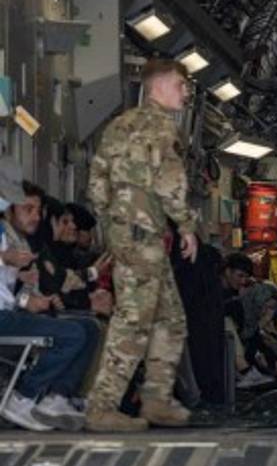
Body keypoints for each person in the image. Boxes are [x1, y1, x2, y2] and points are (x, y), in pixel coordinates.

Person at [86, 58, 200, 433]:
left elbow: (97, 184)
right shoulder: (163, 128)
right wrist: (185, 224)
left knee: (170, 319)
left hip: (126, 235)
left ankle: (156, 401)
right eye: (182, 86)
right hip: (144, 236)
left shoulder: (118, 126)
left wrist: (112, 226)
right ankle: (101, 407)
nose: (185, 94)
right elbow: (170, 184)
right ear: (160, 87)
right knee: (133, 323)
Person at [0, 174, 99, 431]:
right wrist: (4, 259)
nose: (35, 216)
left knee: (89, 330)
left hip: (9, 312)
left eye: (38, 210)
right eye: (27, 209)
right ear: (9, 210)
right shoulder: (8, 243)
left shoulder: (14, 239)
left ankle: (58, 397)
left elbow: (7, 290)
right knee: (73, 334)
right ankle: (23, 395)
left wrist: (25, 296)